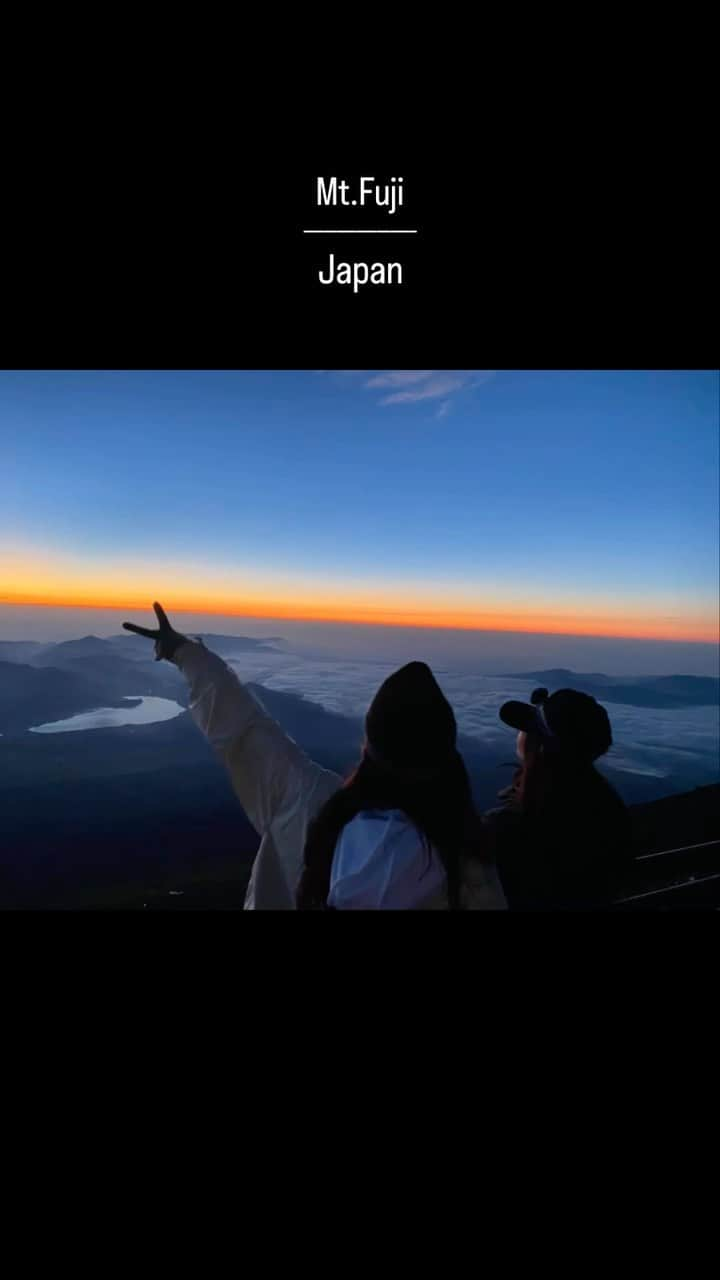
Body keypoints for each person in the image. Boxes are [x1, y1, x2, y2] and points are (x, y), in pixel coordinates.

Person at [123, 602, 506, 911]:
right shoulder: (474, 872)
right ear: (447, 763)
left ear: (367, 748)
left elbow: (246, 729)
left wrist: (183, 652)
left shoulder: (311, 805)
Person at [483, 686, 630, 910]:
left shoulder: (509, 828)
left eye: (527, 730)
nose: (520, 736)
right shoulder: (610, 813)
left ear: (540, 747)